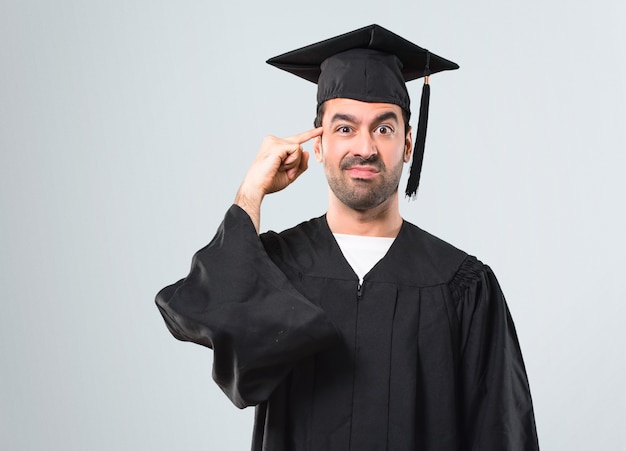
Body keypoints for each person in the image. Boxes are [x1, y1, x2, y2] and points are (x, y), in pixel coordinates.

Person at [156, 24, 539, 450]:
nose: (365, 147)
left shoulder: (463, 285)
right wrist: (251, 193)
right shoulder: (275, 267)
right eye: (344, 128)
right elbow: (195, 308)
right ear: (317, 144)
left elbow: (503, 435)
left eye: (384, 128)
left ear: (408, 144)